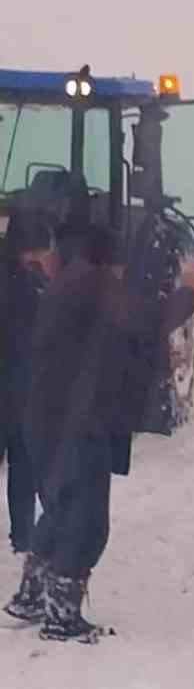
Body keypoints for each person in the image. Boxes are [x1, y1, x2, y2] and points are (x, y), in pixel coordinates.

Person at [4, 224, 194, 642]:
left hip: (49, 420)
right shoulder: (92, 284)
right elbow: (146, 320)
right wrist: (191, 291)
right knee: (87, 521)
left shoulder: (69, 285)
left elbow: (117, 341)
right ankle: (62, 615)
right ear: (112, 262)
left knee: (61, 509)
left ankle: (32, 595)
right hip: (77, 424)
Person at [0, 213, 58, 555]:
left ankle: (23, 534)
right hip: (18, 391)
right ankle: (22, 536)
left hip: (14, 387)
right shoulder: (29, 287)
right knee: (24, 466)